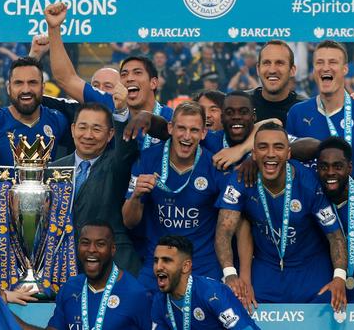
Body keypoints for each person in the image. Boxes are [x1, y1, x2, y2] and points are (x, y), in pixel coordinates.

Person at [215, 122, 348, 311]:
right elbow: (224, 230)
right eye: (262, 147)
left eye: (278, 147)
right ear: (253, 154)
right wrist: (230, 274)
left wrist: (339, 277)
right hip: (266, 269)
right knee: (243, 306)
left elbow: (335, 236)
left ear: (288, 153)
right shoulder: (241, 179)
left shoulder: (309, 184)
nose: (270, 154)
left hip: (310, 270)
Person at [123, 102, 230, 289]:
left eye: (194, 130)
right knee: (140, 311)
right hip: (158, 263)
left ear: (203, 133)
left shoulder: (215, 165)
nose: (187, 136)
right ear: (170, 128)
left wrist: (232, 273)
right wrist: (136, 196)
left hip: (202, 263)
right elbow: (128, 221)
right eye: (181, 128)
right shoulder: (148, 159)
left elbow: (234, 217)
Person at [50, 103, 142, 275]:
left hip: (113, 267)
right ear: (72, 129)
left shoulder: (116, 165)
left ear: (110, 135)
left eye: (96, 129)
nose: (88, 135)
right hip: (62, 267)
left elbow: (126, 150)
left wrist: (122, 112)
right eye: (82, 127)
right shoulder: (52, 170)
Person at [15, 220, 151, 330]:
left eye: (100, 244)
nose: (91, 249)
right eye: (85, 243)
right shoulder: (70, 288)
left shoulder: (137, 294)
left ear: (112, 249)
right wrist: (5, 314)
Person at [0, 57, 69, 166]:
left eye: (32, 82)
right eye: (18, 83)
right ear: (9, 88)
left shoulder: (58, 120)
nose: (26, 89)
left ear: (42, 88)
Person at [151, 235, 260, 330]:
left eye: (166, 260)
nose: (158, 267)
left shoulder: (212, 293)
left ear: (185, 266)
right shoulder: (159, 301)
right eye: (156, 261)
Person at [286, 40, 354, 176]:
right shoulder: (297, 113)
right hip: (309, 197)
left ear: (345, 69)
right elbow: (288, 162)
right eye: (320, 62)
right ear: (313, 69)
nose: (325, 68)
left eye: (332, 62)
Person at [316, 137, 354, 303]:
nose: (330, 172)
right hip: (327, 285)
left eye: (338, 166)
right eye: (323, 166)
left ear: (350, 167)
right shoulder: (314, 198)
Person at [248, 40, 305, 125]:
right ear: (258, 69)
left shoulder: (305, 108)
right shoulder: (241, 103)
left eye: (280, 63)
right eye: (266, 63)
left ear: (292, 70)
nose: (272, 70)